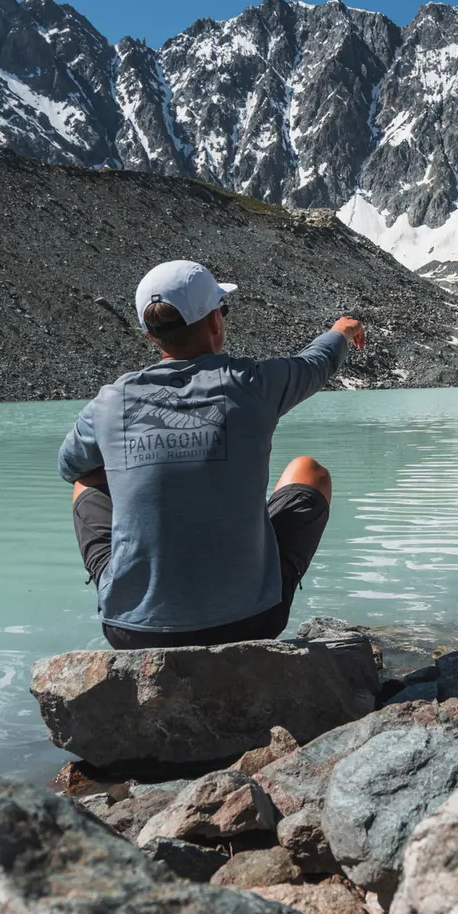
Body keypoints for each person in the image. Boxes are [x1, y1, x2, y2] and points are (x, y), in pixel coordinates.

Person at [58, 259, 365, 648]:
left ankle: (135, 592)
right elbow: (315, 363)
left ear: (151, 335)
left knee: (87, 478)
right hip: (252, 622)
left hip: (132, 631)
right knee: (309, 471)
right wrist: (341, 331)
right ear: (215, 322)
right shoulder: (253, 384)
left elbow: (70, 465)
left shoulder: (108, 402)